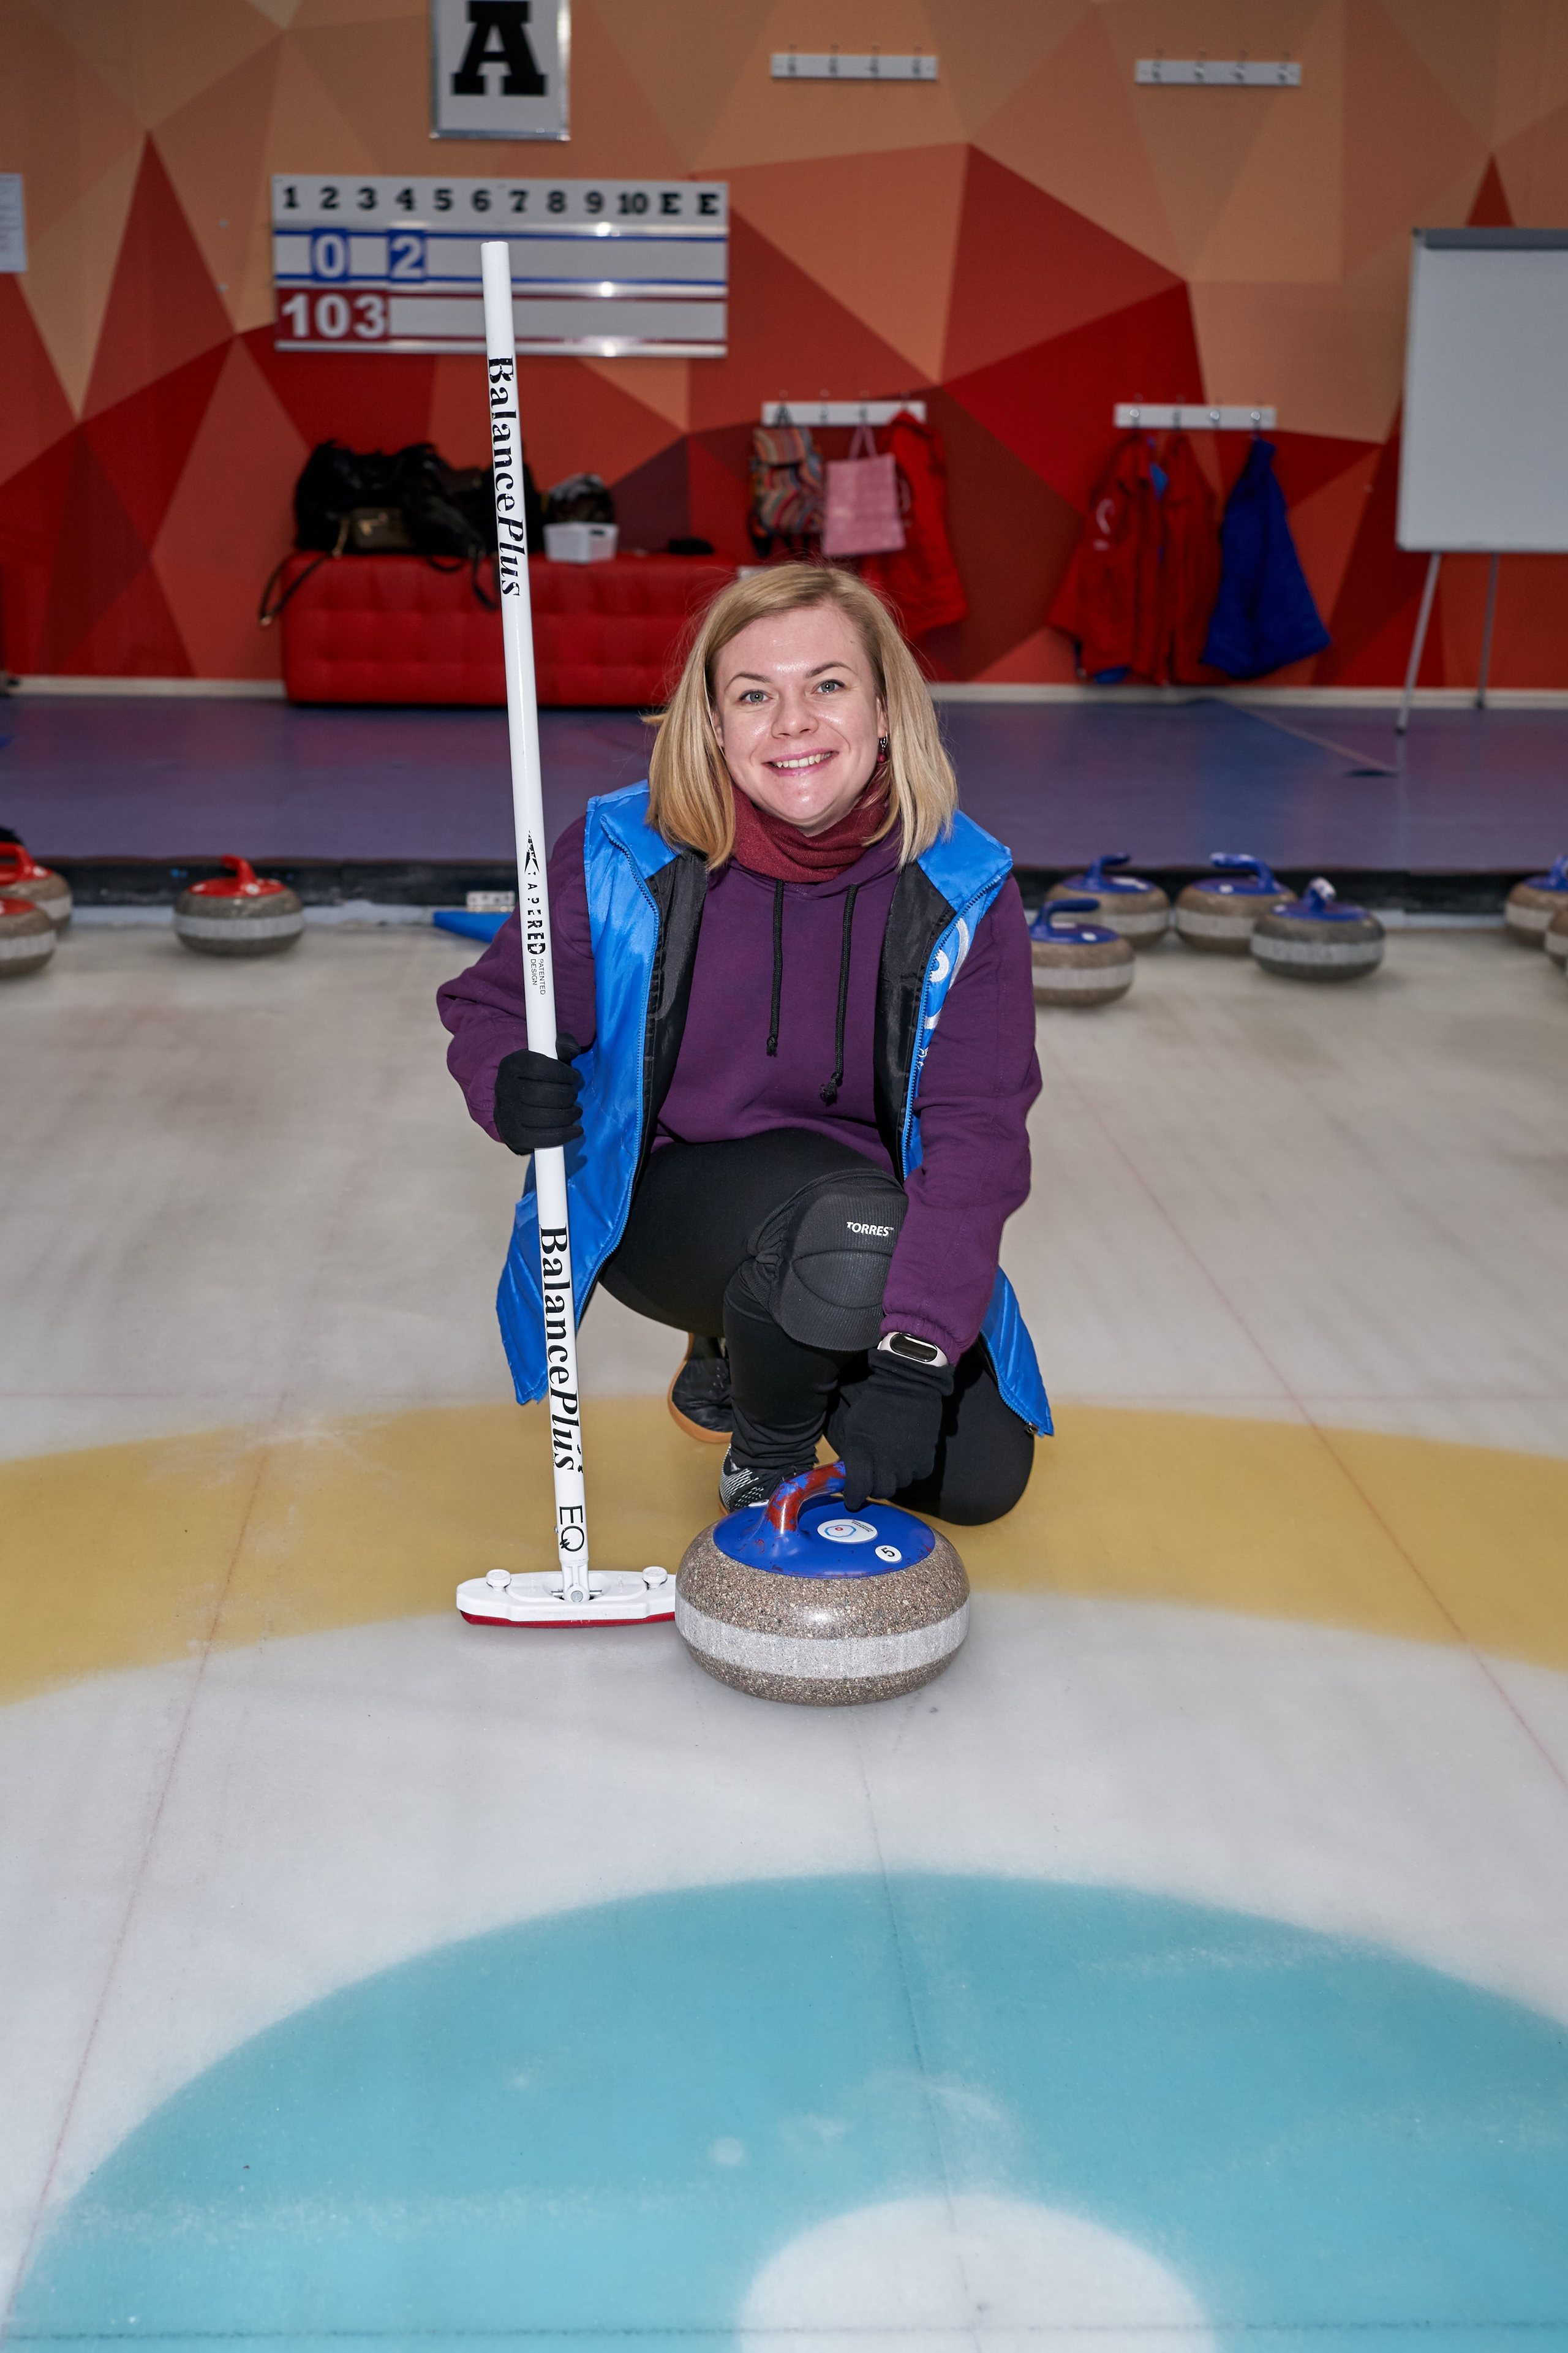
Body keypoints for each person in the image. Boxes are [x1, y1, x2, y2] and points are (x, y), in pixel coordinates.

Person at [437, 562, 1050, 1522]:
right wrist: (507, 1075)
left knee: (976, 1477)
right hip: (664, 1210)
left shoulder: (963, 889)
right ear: (715, 725)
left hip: (868, 1233)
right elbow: (495, 1008)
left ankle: (776, 1332)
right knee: (838, 1220)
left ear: (885, 710)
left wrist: (915, 1359)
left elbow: (978, 1136)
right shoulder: (622, 853)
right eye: (755, 694)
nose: (793, 722)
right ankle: (766, 1454)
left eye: (828, 685)